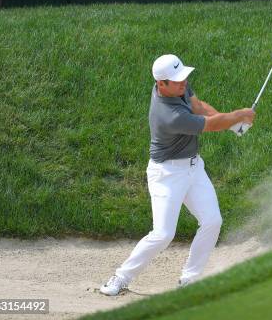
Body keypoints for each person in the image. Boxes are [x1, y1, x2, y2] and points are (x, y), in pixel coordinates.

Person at [100, 54, 255, 296]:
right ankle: (121, 277)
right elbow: (210, 125)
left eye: (183, 77)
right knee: (163, 234)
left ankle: (189, 280)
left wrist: (234, 125)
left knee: (213, 221)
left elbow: (199, 106)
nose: (183, 82)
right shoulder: (169, 116)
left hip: (194, 169)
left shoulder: (176, 86)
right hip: (167, 175)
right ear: (161, 84)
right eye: (177, 80)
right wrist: (238, 116)